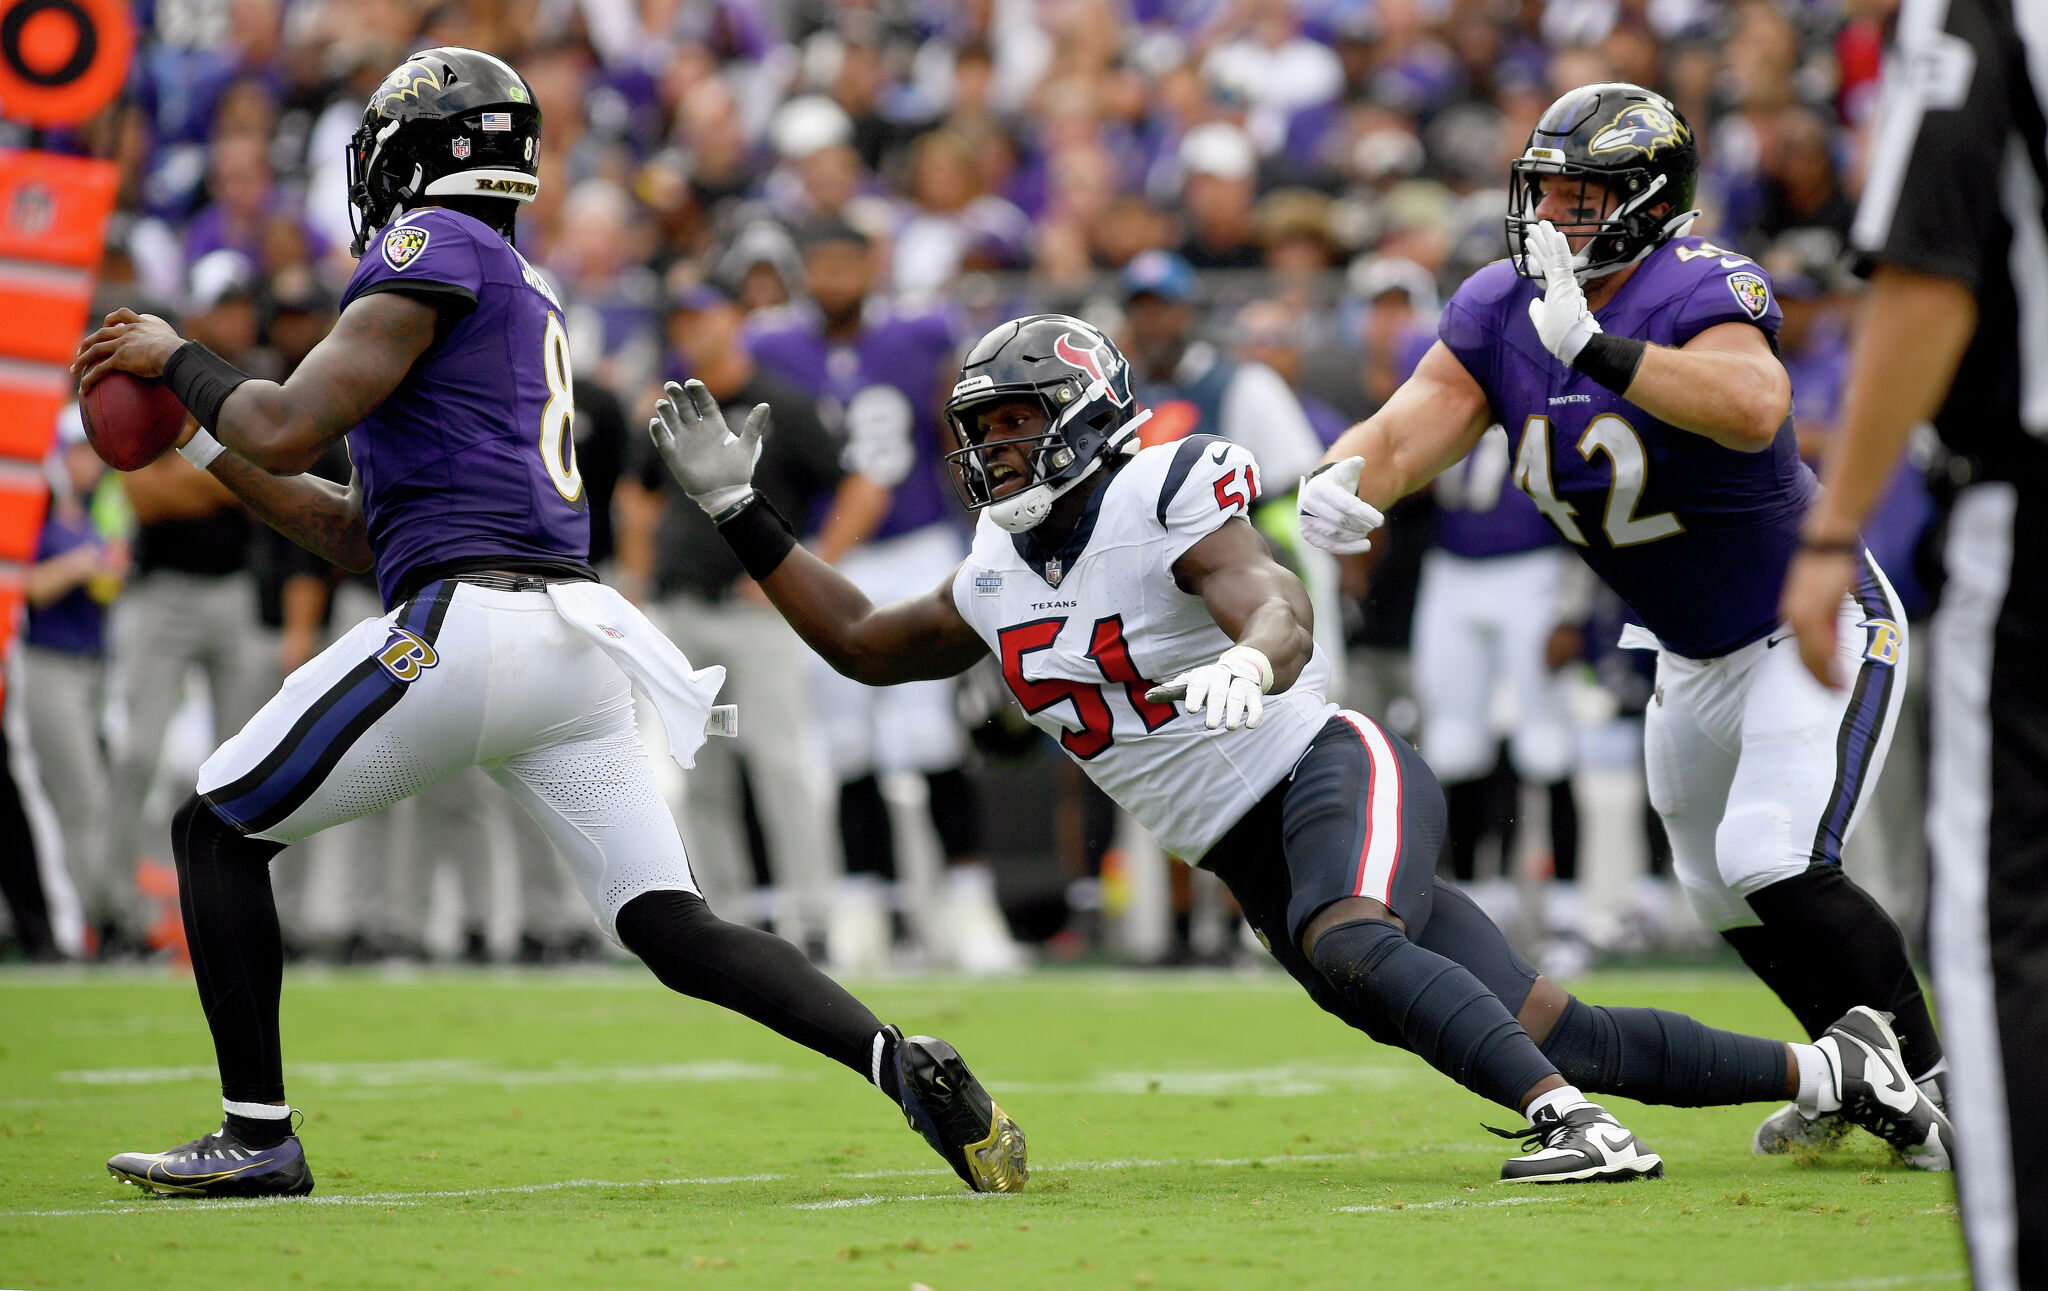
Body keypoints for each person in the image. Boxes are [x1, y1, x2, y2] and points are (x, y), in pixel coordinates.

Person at [650, 311, 1951, 1183]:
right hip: (1240, 847)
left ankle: (1575, 1127)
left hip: (1325, 769)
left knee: (1354, 941)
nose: (990, 450)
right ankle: (1843, 1061)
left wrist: (1247, 658)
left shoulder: (1165, 486)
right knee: (1558, 1017)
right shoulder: (995, 566)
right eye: (980, 430)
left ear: (1087, 413)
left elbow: (1268, 595)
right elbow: (869, 641)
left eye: (1011, 423)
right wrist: (737, 509)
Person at [72, 46, 1023, 1200]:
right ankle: (902, 1063)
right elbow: (356, 531)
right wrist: (204, 440)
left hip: (474, 629)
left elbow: (282, 420)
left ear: (415, 152)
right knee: (673, 925)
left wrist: (181, 358)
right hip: (565, 641)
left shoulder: (432, 246)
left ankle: (257, 1131)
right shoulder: (507, 283)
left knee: (216, 829)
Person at [1296, 81, 1951, 1162]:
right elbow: (1418, 418)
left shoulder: (1696, 283)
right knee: (1716, 889)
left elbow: (1754, 406)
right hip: (1687, 653)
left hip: (1804, 614)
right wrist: (1347, 473)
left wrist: (1597, 349)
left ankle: (1936, 1082)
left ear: (1645, 202)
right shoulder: (1498, 306)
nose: (1551, 217)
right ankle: (1857, 1070)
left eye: (1580, 196)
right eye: (1542, 191)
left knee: (1768, 857)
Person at [1777, 1, 2048, 1282]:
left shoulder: (1980, 17)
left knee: (1998, 931)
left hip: (2028, 503)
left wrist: (1830, 536)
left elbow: (1928, 268)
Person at [747, 221, 1024, 975]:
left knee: (931, 733)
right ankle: (860, 906)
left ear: (874, 264)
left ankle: (968, 906)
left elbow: (958, 415)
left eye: (847, 261)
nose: (835, 276)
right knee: (846, 743)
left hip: (915, 544)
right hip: (826, 560)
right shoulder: (769, 344)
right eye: (822, 261)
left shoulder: (924, 331)